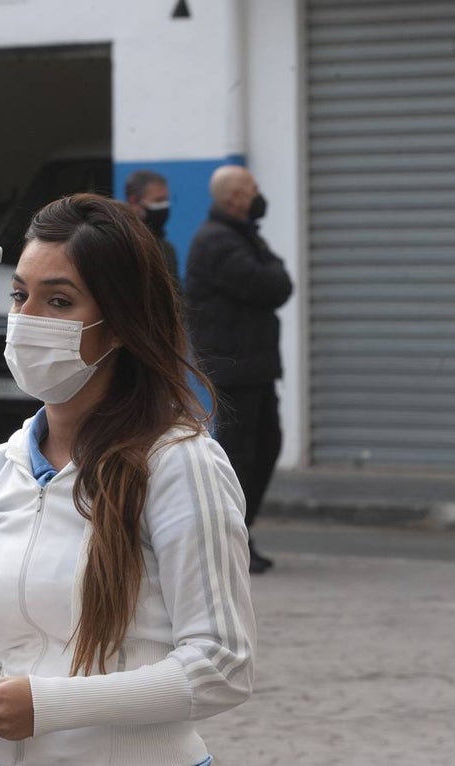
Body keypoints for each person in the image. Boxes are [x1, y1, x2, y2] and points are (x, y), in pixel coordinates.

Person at [0, 194, 254, 766]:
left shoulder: (180, 462)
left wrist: (51, 704)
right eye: (19, 295)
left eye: (58, 300)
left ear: (120, 324)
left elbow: (222, 666)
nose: (26, 320)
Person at [185, 165, 293, 575]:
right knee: (241, 456)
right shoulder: (220, 243)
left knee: (264, 446)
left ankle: (238, 535)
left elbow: (276, 277)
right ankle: (228, 540)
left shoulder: (238, 236)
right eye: (252, 189)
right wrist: (273, 271)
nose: (258, 194)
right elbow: (274, 285)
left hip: (252, 365)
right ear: (233, 198)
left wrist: (273, 270)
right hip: (235, 365)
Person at [124, 169, 179, 291]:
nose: (164, 206)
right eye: (158, 200)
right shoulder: (120, 245)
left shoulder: (166, 248)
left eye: (166, 200)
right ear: (134, 201)